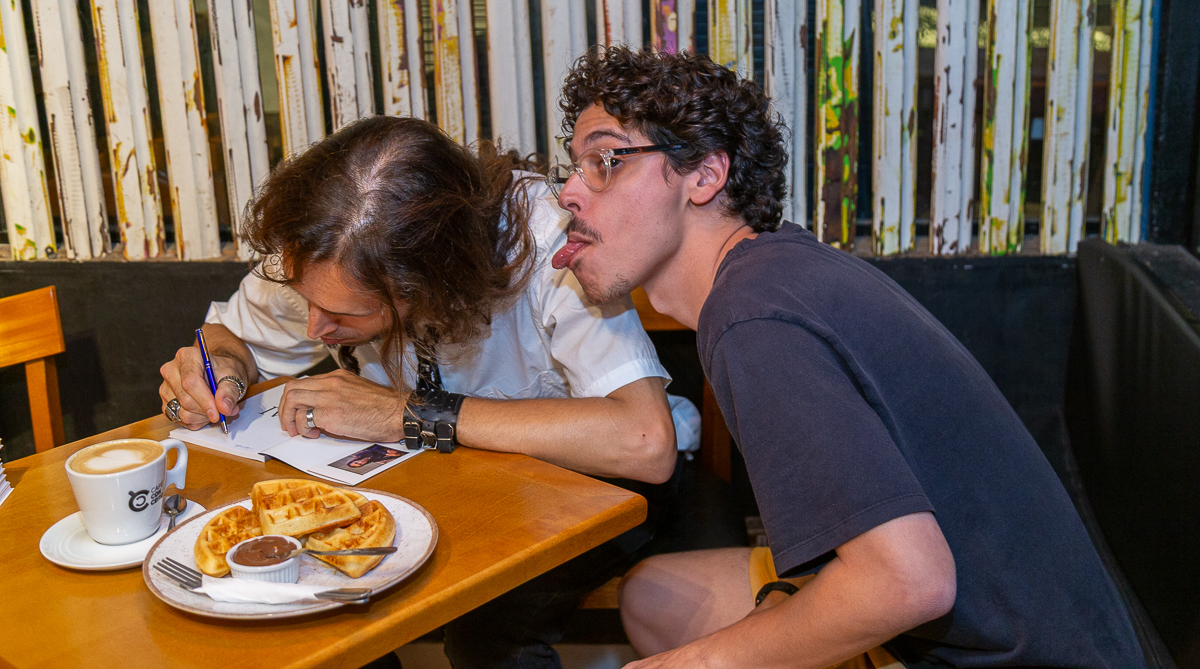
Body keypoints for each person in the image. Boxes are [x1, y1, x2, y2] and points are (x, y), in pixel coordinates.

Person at [549, 46, 1146, 668]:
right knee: (653, 598)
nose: (569, 192)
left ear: (704, 175)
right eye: (573, 167)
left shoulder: (752, 317)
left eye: (605, 161)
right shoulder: (774, 266)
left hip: (1007, 652)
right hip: (988, 622)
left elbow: (909, 582)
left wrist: (694, 664)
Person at [158, 115, 699, 669]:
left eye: (347, 314)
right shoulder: (331, 246)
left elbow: (643, 441)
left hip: (595, 487)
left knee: (484, 635)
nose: (315, 328)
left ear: (435, 285)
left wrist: (409, 414)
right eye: (307, 299)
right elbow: (233, 335)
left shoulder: (551, 236)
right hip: (443, 485)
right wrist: (219, 365)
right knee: (322, 602)